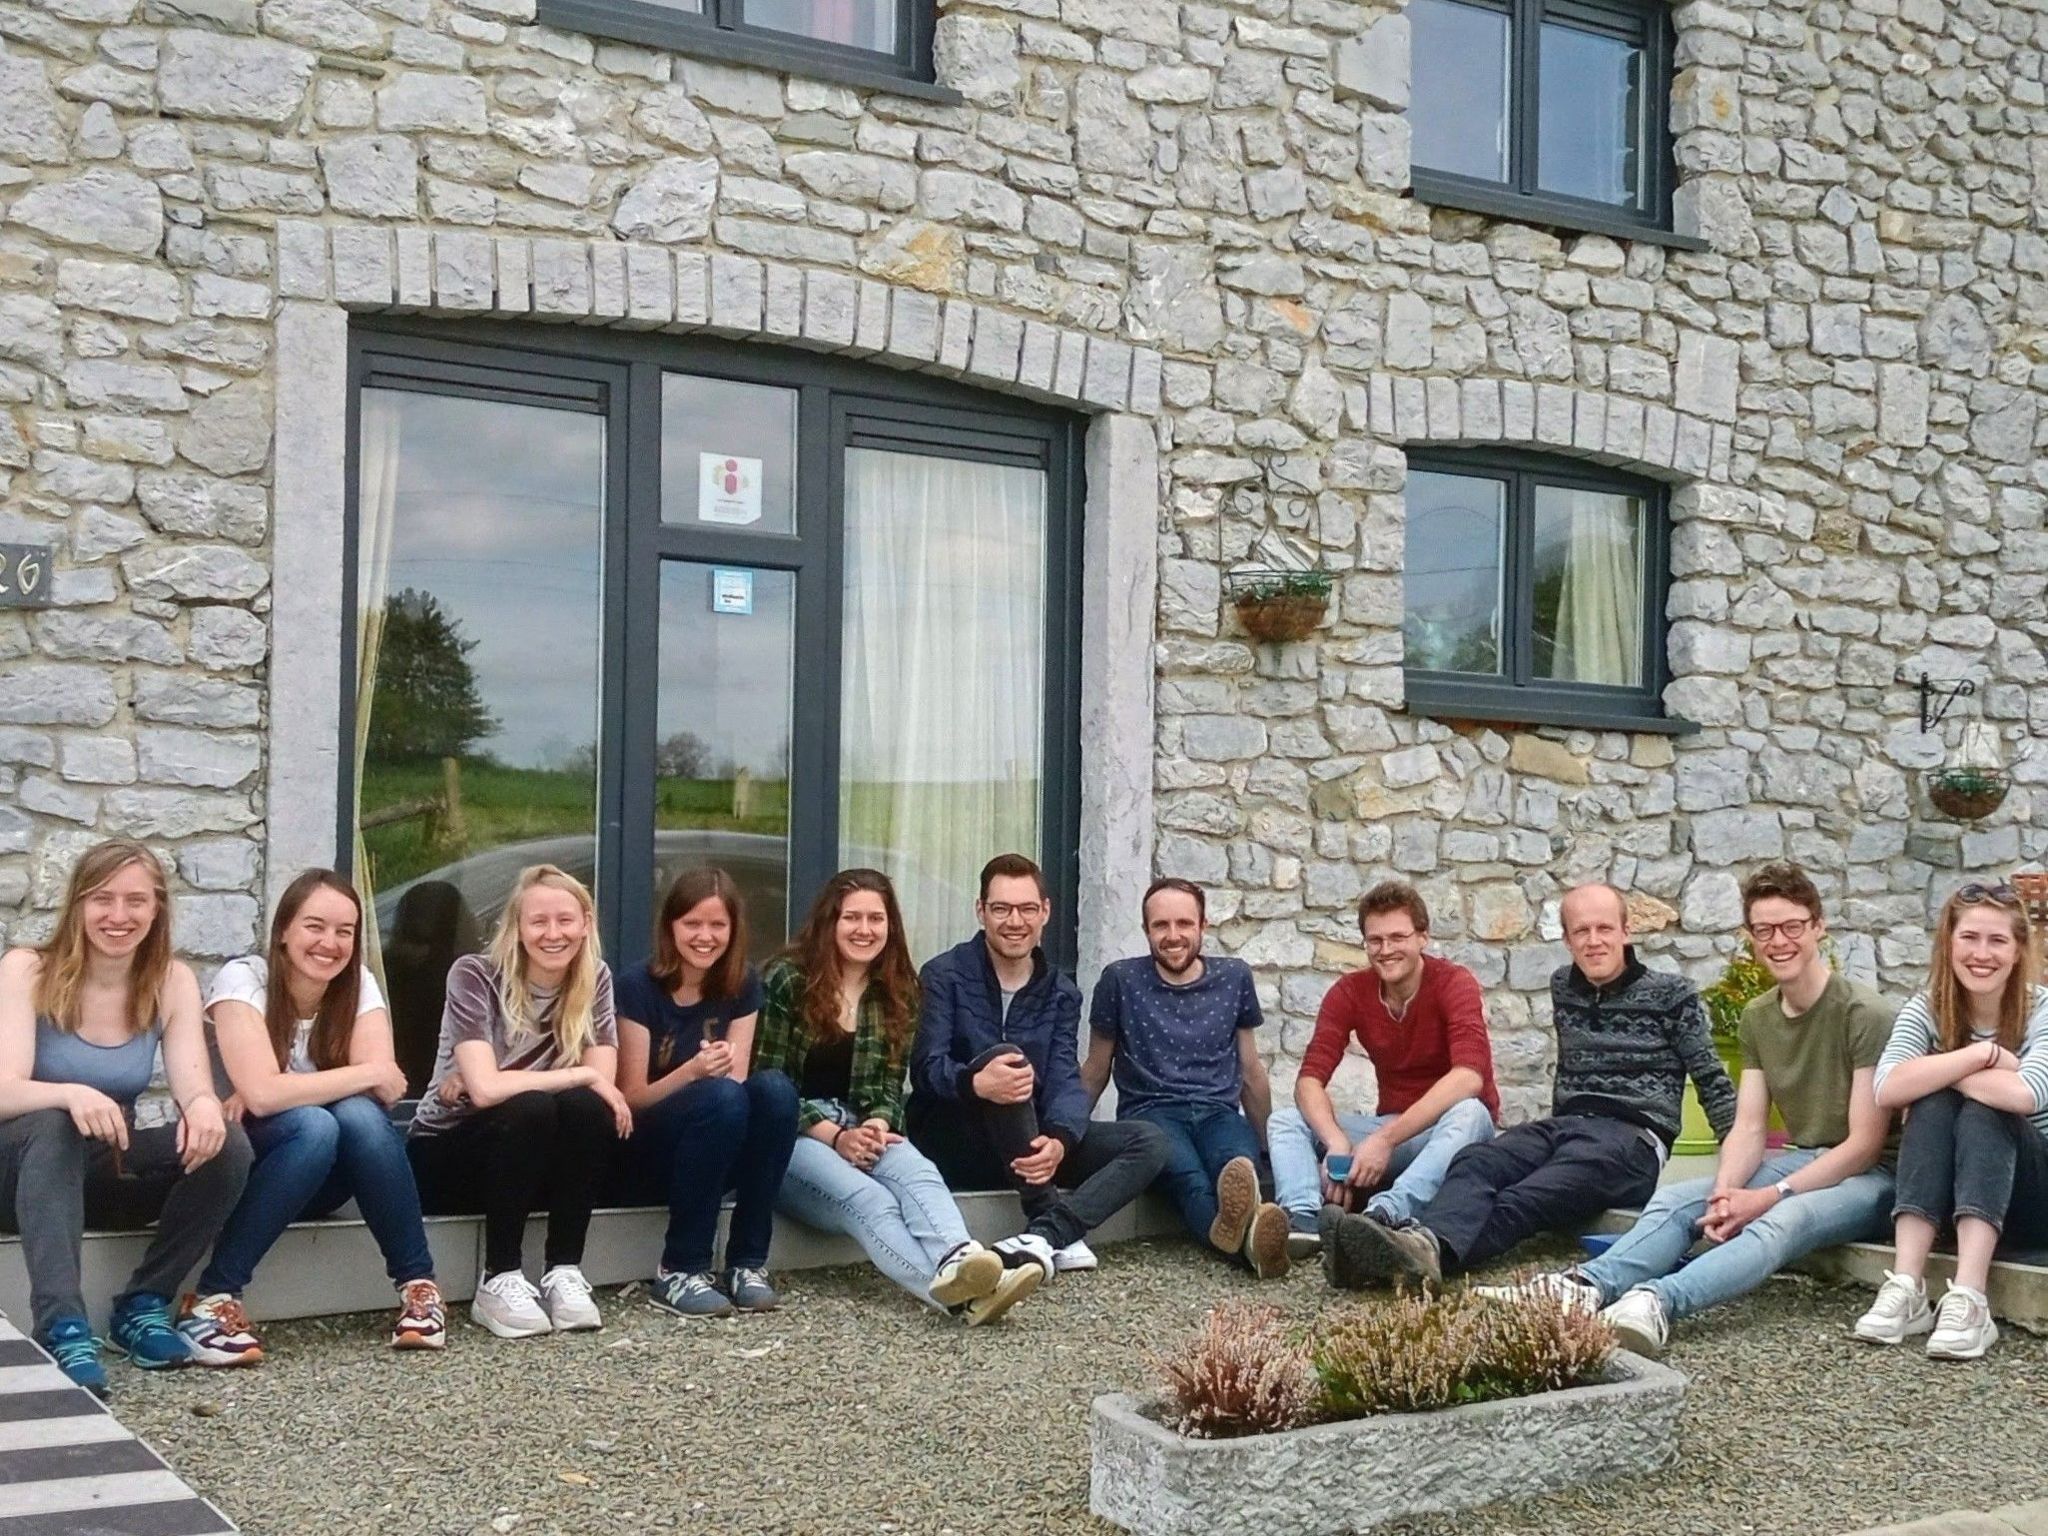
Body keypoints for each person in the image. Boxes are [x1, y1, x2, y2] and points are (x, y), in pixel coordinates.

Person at [1517, 863, 1895, 1357]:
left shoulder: (1865, 1014)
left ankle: (1656, 1301)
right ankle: (1583, 1288)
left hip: (1876, 1175)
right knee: (1680, 1201)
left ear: (1818, 927)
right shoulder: (1759, 1015)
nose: (1778, 941)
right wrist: (1724, 1192)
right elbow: (1750, 1125)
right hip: (1806, 1158)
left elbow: (1865, 1145)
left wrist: (1767, 1195)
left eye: (1791, 927)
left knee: (1784, 1220)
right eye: (1764, 930)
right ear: (1750, 938)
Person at [1332, 884, 1738, 1288]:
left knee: (1528, 1195)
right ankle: (1402, 1250)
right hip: (1565, 1126)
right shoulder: (1565, 985)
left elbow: (1711, 1081)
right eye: (1581, 932)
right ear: (1566, 939)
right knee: (1477, 1160)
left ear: (1625, 931)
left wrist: (1737, 1176)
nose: (1593, 941)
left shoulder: (1673, 995)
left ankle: (1424, 1251)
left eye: (1604, 929)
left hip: (1633, 1139)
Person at [0, 839, 250, 1396]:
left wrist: (206, 1107)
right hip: (18, 1173)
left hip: (100, 1169)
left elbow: (193, 1086)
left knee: (228, 1144)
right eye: (102, 899)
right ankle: (61, 1325)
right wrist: (69, 1093)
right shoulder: (27, 969)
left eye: (136, 901)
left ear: (157, 908)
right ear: (78, 906)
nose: (119, 916)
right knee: (53, 1120)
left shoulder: (169, 980)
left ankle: (142, 1306)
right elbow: (4, 1090)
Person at [188, 870, 445, 1363]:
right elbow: (263, 1098)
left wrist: (287, 1089)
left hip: (326, 1177)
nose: (330, 943)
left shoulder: (357, 984)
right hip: (253, 1172)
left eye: (344, 931)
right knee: (319, 1123)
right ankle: (215, 1295)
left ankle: (418, 1287)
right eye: (315, 926)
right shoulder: (243, 980)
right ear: (283, 930)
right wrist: (360, 1071)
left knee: (359, 1119)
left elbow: (387, 1089)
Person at [759, 869, 1036, 1324]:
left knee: (919, 1170)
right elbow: (767, 1082)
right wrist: (835, 1137)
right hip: (790, 1138)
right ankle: (962, 1298)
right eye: (852, 918)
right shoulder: (788, 980)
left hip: (860, 1124)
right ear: (830, 922)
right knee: (872, 1201)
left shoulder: (896, 989)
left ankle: (961, 1259)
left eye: (876, 919)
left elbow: (889, 1083)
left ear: (891, 927)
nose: (864, 930)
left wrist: (878, 1124)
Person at [906, 854, 1168, 1281]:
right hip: (956, 1139)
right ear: (981, 911)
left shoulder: (1061, 991)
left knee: (1150, 1140)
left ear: (1045, 912)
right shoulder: (944, 975)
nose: (1015, 921)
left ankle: (1043, 1235)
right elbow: (926, 1069)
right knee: (1005, 1062)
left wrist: (1061, 1140)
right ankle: (1045, 1209)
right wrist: (975, 1083)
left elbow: (1066, 1076)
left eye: (1027, 909)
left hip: (1031, 1145)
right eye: (1001, 909)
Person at [406, 865, 633, 1339]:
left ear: (586, 923)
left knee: (583, 1109)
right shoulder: (475, 975)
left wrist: (571, 1079)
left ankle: (564, 1271)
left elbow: (599, 1093)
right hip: (446, 1155)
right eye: (538, 922)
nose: (553, 934)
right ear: (517, 927)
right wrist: (580, 1072)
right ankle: (500, 1278)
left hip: (530, 1157)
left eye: (565, 920)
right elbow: (487, 1093)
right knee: (532, 1106)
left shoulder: (596, 979)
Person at [1854, 883, 2047, 1359]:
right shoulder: (1927, 1008)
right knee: (1934, 1104)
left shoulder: (2043, 1008)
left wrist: (1939, 1069)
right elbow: (1886, 1087)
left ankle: (1970, 1296)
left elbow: (2026, 1092)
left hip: (2035, 1195)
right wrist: (1982, 1056)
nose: (1982, 954)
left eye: (1997, 940)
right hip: (1962, 1193)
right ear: (1949, 942)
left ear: (2019, 948)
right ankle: (1907, 1286)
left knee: (1982, 1107)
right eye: (1970, 938)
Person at [1265, 881, 1498, 1258]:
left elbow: (1469, 1077)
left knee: (1471, 1111)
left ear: (1423, 937)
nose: (1386, 950)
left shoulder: (1454, 983)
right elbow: (1309, 1080)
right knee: (1287, 1120)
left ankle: (1384, 1216)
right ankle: (1304, 1221)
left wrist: (1384, 1141)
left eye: (1397, 937)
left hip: (1451, 1131)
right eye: (1375, 940)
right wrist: (1338, 1146)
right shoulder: (1350, 991)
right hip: (1393, 1126)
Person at [1081, 878, 1289, 1277]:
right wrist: (1063, 1136)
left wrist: (1268, 1150)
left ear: (1202, 926)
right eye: (1160, 926)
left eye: (1184, 924)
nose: (1173, 936)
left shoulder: (1234, 977)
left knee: (1235, 1164)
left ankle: (1246, 1238)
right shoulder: (1119, 980)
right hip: (1151, 1116)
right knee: (1190, 1179)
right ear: (1146, 931)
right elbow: (1095, 1070)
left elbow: (1250, 1070)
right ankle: (1253, 1248)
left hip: (1218, 1112)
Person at [616, 868, 799, 1320]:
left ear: (734, 931)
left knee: (776, 1091)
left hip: (715, 1135)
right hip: (646, 1144)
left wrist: (713, 1077)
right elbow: (631, 1097)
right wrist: (692, 1071)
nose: (705, 937)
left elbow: (736, 1082)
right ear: (670, 926)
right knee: (720, 1097)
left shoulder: (743, 984)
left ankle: (747, 1262)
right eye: (692, 924)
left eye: (718, 925)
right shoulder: (637, 986)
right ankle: (680, 1267)